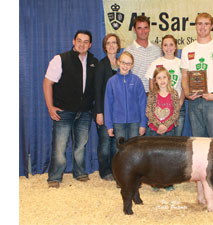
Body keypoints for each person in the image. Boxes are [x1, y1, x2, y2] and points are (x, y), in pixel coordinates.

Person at [43, 30, 98, 188]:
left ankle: (79, 172)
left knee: (80, 145)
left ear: (90, 44)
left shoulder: (93, 61)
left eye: (86, 41)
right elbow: (47, 83)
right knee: (60, 145)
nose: (82, 44)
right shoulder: (60, 59)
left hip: (85, 111)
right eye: (79, 40)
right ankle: (54, 176)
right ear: (73, 41)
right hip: (63, 110)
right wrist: (50, 107)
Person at [181, 13, 213, 138]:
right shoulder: (187, 49)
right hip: (194, 100)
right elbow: (184, 76)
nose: (202, 27)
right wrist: (187, 93)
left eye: (206, 24)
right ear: (196, 25)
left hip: (212, 100)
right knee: (198, 141)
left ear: (211, 26)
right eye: (199, 23)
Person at [146, 67, 180, 192]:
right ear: (155, 80)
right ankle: (155, 182)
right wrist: (158, 125)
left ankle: (168, 182)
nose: (162, 80)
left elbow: (176, 112)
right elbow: (149, 111)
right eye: (159, 78)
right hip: (153, 130)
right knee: (154, 157)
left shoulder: (174, 94)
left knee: (168, 157)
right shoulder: (152, 94)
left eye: (164, 77)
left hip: (169, 130)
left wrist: (165, 125)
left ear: (169, 78)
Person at [104, 51, 147, 148]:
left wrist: (143, 123)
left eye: (128, 63)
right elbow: (108, 105)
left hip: (135, 122)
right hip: (118, 122)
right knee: (120, 150)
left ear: (132, 65)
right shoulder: (111, 82)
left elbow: (142, 103)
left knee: (134, 149)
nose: (125, 66)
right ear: (118, 62)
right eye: (123, 62)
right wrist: (109, 125)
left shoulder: (137, 81)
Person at [145, 35, 185, 136]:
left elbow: (185, 85)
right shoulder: (156, 63)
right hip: (158, 108)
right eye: (165, 45)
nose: (168, 48)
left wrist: (180, 102)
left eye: (171, 44)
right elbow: (151, 86)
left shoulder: (181, 63)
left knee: (176, 142)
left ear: (176, 47)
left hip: (177, 107)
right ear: (162, 47)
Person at [94, 33, 121, 181]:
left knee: (116, 144)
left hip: (118, 113)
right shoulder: (101, 65)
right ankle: (104, 171)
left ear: (118, 46)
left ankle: (115, 170)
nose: (111, 46)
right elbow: (97, 90)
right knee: (105, 143)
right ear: (105, 47)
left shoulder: (122, 64)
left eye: (114, 43)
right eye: (108, 43)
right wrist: (99, 112)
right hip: (104, 111)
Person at [124, 15, 161, 93]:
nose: (143, 31)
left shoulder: (157, 50)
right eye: (139, 28)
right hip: (135, 94)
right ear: (134, 30)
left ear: (149, 28)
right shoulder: (128, 51)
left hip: (153, 95)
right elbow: (125, 75)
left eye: (146, 27)